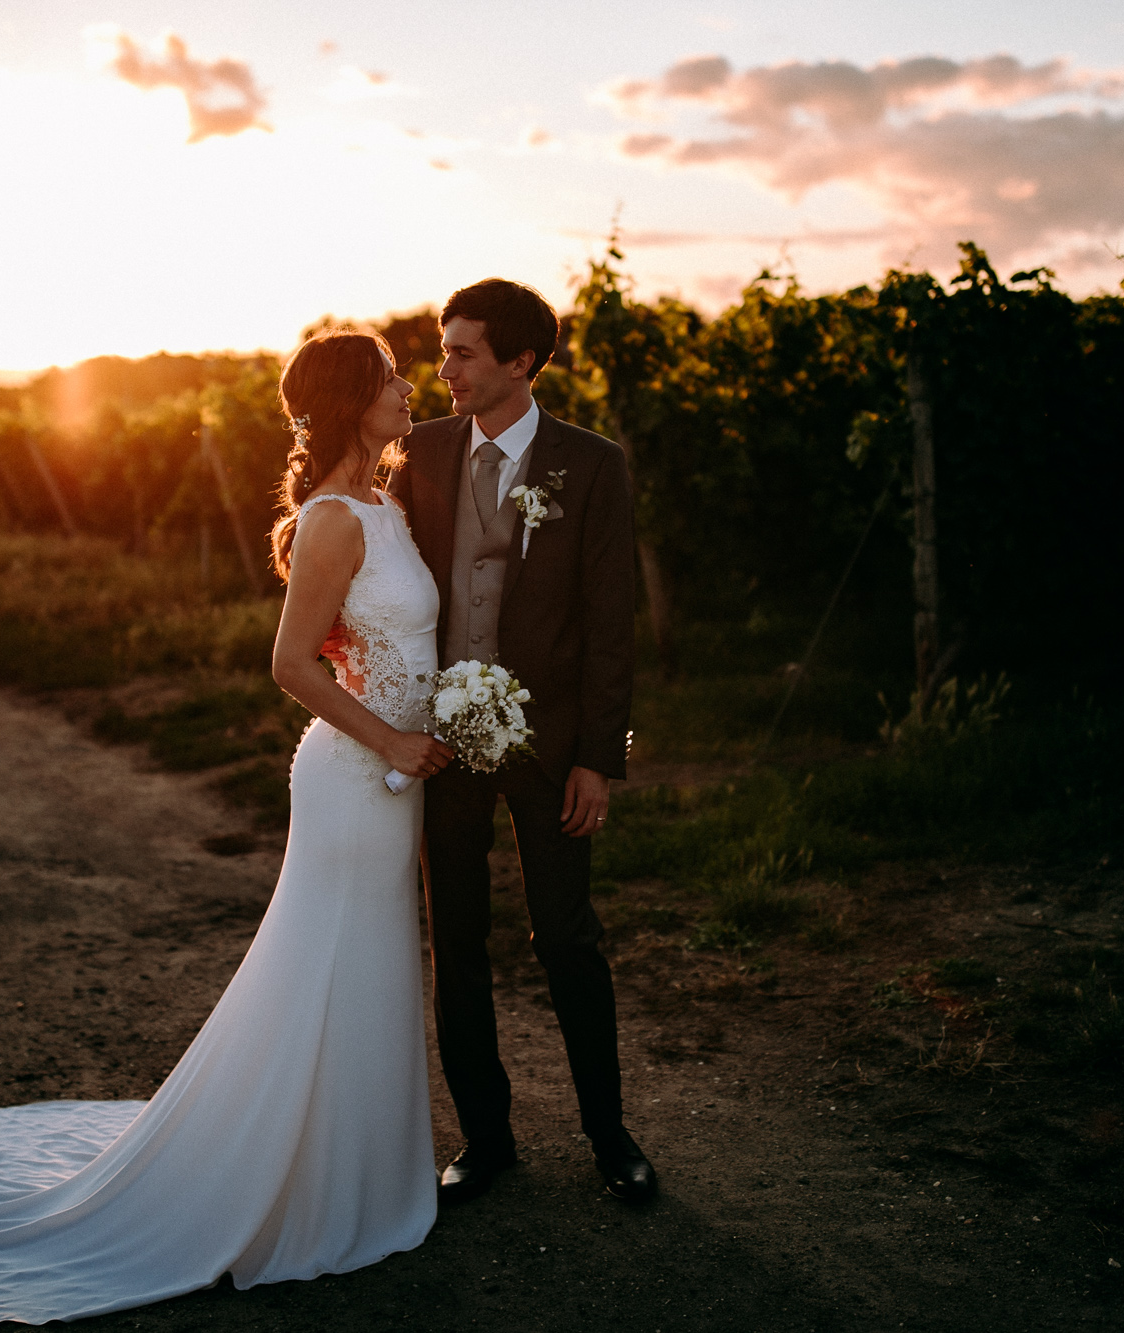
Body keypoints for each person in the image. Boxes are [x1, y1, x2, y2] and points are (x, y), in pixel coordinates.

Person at [0, 331, 454, 1325]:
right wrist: (393, 743)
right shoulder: (329, 519)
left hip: (395, 774)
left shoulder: (385, 504)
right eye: (392, 379)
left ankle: (357, 1170)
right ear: (353, 398)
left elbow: (370, 642)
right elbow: (289, 665)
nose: (408, 390)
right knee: (332, 961)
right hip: (355, 776)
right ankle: (303, 1184)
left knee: (369, 963)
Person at [388, 278, 656, 1206]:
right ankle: (486, 1135)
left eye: (462, 351)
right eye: (445, 347)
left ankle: (608, 1131)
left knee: (567, 939)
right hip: (442, 746)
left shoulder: (593, 465)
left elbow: (611, 622)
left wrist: (600, 754)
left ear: (520, 361)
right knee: (455, 941)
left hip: (553, 750)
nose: (445, 367)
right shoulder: (416, 453)